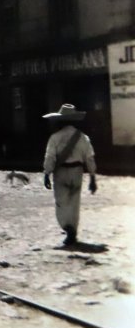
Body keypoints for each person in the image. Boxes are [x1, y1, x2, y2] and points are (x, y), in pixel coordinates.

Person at [42, 103, 98, 247]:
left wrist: (47, 173)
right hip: (77, 171)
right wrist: (92, 177)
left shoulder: (55, 137)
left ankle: (68, 228)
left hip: (61, 173)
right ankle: (72, 229)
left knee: (61, 201)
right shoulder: (83, 138)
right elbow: (90, 158)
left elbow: (50, 157)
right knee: (74, 202)